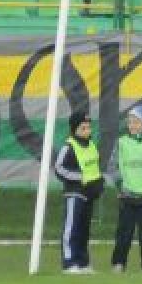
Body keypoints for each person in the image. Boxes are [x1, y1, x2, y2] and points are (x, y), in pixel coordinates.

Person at [109, 105, 142, 273]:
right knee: (124, 233)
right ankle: (118, 264)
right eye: (130, 122)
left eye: (136, 122)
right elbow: (112, 166)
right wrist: (119, 186)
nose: (132, 125)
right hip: (127, 196)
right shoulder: (122, 142)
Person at [53, 110, 103, 273]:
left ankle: (83, 262)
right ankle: (69, 262)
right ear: (74, 129)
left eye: (89, 127)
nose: (87, 131)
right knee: (71, 228)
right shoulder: (69, 147)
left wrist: (98, 182)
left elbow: (94, 168)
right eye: (83, 128)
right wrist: (79, 177)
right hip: (74, 194)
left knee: (84, 229)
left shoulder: (92, 145)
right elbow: (59, 168)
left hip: (89, 194)